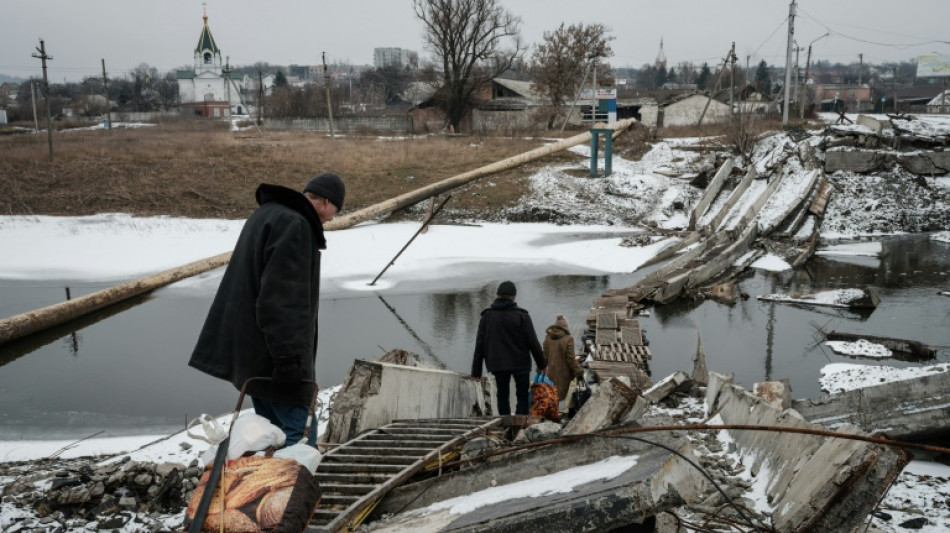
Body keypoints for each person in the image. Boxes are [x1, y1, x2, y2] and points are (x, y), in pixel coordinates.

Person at [189, 172, 345, 446]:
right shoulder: (295, 226)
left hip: (255, 357)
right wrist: (289, 363)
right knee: (301, 434)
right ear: (326, 202)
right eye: (335, 210)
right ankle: (295, 486)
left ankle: (271, 486)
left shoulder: (267, 215)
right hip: (276, 362)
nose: (332, 218)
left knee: (271, 435)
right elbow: (283, 302)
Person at [471, 281, 547, 416]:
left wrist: (476, 372)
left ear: (498, 295)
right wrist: (542, 364)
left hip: (498, 363)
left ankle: (505, 423)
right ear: (513, 297)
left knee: (502, 395)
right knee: (522, 394)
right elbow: (533, 342)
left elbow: (480, 345)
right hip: (521, 362)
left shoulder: (487, 316)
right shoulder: (522, 315)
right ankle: (520, 422)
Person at [543, 314, 584, 404]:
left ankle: (552, 412)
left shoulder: (547, 338)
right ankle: (563, 413)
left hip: (551, 373)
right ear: (565, 327)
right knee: (565, 397)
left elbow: (544, 357)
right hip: (564, 374)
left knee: (552, 395)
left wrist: (540, 370)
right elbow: (571, 359)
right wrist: (579, 371)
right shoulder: (568, 339)